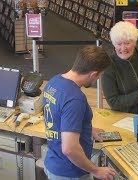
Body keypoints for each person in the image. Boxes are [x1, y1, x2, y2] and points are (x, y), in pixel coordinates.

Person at [43, 45, 116, 180]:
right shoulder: (75, 98)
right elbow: (69, 148)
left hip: (53, 162)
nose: (97, 80)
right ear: (94, 74)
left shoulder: (53, 82)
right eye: (99, 76)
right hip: (70, 172)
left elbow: (58, 118)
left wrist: (88, 129)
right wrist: (96, 170)